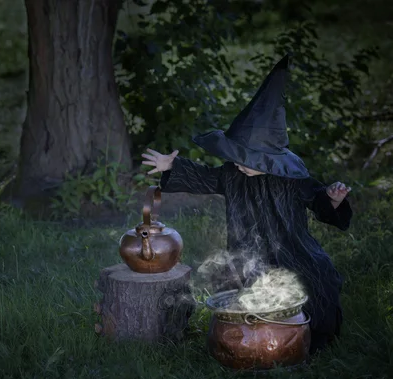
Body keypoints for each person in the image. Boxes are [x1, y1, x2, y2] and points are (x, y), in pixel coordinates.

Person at [141, 54, 352, 354]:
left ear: (269, 158)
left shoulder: (291, 178)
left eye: (247, 160)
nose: (239, 165)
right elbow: (204, 178)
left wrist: (331, 200)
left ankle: (308, 338)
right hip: (248, 253)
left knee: (317, 284)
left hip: (293, 250)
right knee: (245, 291)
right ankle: (249, 340)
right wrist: (170, 167)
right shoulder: (232, 174)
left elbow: (317, 201)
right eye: (236, 157)